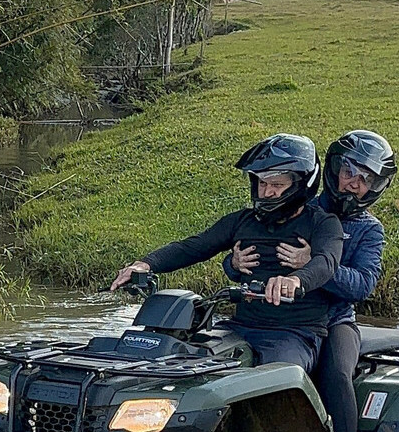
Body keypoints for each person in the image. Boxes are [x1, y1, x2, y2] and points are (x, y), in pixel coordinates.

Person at [225, 130, 397, 432]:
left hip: (335, 321)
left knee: (336, 375)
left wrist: (314, 266)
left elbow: (363, 284)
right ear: (332, 169)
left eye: (363, 178)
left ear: (375, 186)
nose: (351, 182)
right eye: (347, 171)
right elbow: (254, 253)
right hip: (275, 319)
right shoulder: (301, 208)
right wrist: (234, 265)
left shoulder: (369, 229)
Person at [110, 133, 344, 372]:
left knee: (278, 378)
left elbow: (326, 262)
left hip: (294, 334)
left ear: (301, 185)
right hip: (239, 327)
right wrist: (146, 264)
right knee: (183, 364)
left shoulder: (324, 223)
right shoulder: (242, 221)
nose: (267, 192)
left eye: (277, 185)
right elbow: (195, 246)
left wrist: (295, 280)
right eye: (262, 184)